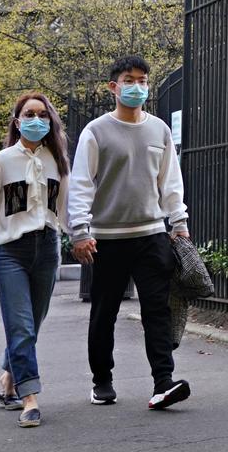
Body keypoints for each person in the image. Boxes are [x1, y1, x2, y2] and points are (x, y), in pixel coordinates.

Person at [68, 55, 191, 409]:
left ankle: (164, 382)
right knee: (104, 312)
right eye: (129, 79)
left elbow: (170, 181)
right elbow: (81, 185)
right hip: (106, 238)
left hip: (152, 235)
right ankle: (102, 380)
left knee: (157, 309)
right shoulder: (96, 131)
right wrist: (79, 231)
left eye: (142, 79)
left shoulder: (159, 130)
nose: (137, 86)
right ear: (113, 87)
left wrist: (178, 223)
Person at [0, 92, 70, 428]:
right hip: (11, 251)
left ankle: (8, 377)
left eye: (43, 115)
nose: (36, 120)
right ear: (17, 121)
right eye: (29, 114)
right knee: (22, 326)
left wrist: (83, 236)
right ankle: (30, 397)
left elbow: (65, 211)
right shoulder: (1, 162)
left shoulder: (58, 161)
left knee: (32, 325)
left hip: (47, 248)